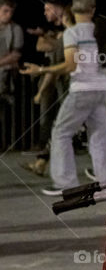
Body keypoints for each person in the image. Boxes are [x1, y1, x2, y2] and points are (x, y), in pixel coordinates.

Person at [21, 0, 106, 193]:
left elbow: (71, 65)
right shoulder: (103, 30)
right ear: (93, 9)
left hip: (82, 89)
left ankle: (66, 184)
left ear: (72, 10)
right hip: (103, 88)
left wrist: (41, 70)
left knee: (61, 132)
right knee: (99, 137)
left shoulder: (73, 33)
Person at [21, 16, 66, 176]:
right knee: (60, 130)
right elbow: (40, 46)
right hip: (64, 90)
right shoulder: (59, 44)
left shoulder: (66, 41)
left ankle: (60, 174)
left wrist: (40, 92)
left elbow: (53, 72)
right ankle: (42, 162)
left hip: (68, 91)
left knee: (61, 129)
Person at [0, 0, 24, 102]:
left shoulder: (16, 29)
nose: (9, 14)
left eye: (11, 12)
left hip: (7, 68)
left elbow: (15, 56)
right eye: (5, 11)